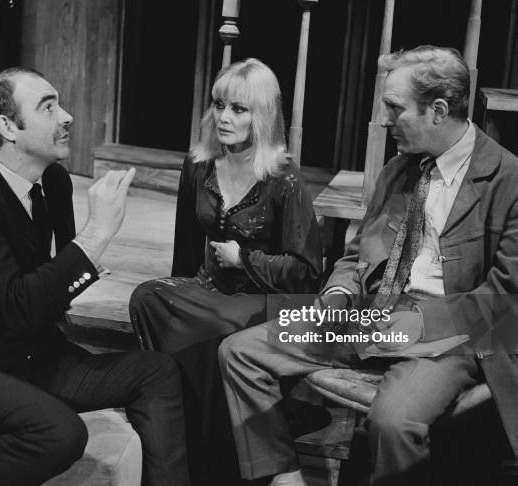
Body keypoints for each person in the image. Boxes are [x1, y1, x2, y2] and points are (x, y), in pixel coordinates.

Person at [219, 45, 518, 486]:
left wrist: (409, 326)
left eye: (395, 108)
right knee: (240, 352)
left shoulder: (508, 179)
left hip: (450, 335)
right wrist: (338, 295)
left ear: (437, 110)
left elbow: (502, 302)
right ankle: (284, 478)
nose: (384, 119)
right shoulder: (399, 170)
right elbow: (358, 257)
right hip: (370, 315)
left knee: (394, 422)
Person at [0, 67, 189, 486]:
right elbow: (17, 307)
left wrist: (76, 268)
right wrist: (97, 235)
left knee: (157, 372)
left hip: (27, 355)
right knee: (58, 432)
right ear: (8, 127)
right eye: (49, 107)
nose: (68, 116)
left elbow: (50, 287)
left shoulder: (52, 182)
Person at [129, 58, 322, 485]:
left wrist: (246, 260)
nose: (224, 117)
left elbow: (307, 272)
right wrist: (181, 293)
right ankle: (181, 435)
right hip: (210, 290)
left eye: (239, 109)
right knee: (148, 297)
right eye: (219, 105)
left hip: (264, 298)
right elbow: (184, 248)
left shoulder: (283, 179)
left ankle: (223, 459)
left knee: (215, 328)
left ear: (263, 115)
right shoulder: (198, 164)